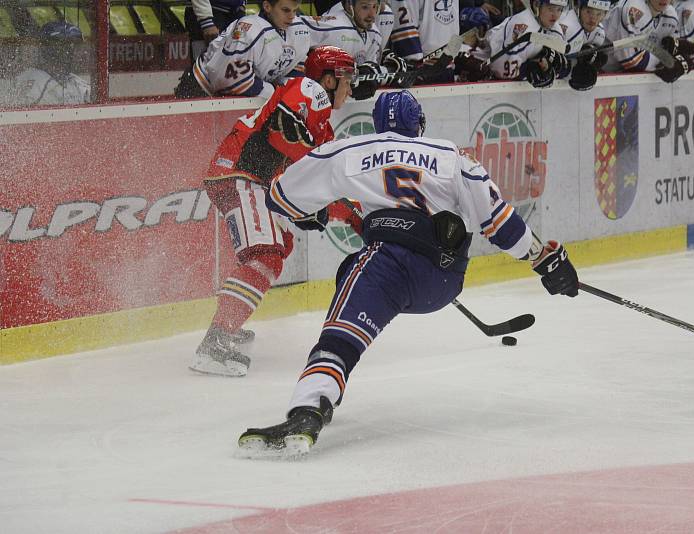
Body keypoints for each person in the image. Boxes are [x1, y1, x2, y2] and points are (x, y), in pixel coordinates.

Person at [237, 90, 579, 456]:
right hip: (444, 279)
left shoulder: (352, 150)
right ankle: (323, 387)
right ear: (419, 125)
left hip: (387, 266)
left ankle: (309, 407)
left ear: (378, 125)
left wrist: (307, 211)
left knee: (341, 328)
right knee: (349, 271)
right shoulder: (452, 156)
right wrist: (545, 259)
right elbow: (501, 224)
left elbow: (281, 195)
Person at [189, 46, 356, 377]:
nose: (350, 87)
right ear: (327, 79)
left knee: (276, 249)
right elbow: (283, 133)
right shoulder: (309, 89)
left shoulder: (323, 126)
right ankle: (216, 339)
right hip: (242, 173)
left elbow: (317, 180)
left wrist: (350, 217)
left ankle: (227, 326)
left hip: (248, 178)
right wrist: (308, 198)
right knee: (265, 255)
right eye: (346, 78)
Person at [174, 0, 311, 99]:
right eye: (285, 10)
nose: (291, 17)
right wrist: (275, 92)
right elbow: (231, 81)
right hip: (199, 87)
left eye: (295, 10)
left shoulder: (297, 29)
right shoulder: (250, 29)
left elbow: (293, 69)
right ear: (267, 6)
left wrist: (294, 91)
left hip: (229, 92)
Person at [303, 0, 408, 99]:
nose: (371, 15)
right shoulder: (336, 27)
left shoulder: (374, 33)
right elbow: (296, 25)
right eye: (365, 7)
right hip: (318, 95)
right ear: (350, 6)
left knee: (388, 13)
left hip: (342, 99)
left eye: (374, 6)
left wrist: (386, 71)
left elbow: (367, 71)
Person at [456, 0, 568, 87]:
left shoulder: (554, 28)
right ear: (536, 5)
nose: (555, 15)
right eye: (550, 8)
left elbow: (562, 64)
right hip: (472, 60)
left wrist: (551, 70)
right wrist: (528, 70)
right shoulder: (523, 25)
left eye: (559, 9)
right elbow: (502, 70)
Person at [603, 0, 693, 83]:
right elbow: (631, 60)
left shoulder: (671, 15)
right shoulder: (634, 9)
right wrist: (666, 62)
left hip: (622, 77)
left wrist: (679, 58)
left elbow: (671, 52)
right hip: (603, 73)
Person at [11, 21, 91, 107]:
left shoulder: (74, 81)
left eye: (76, 46)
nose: (80, 53)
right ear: (56, 50)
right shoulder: (34, 82)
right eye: (71, 46)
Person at [558, 0, 610, 90]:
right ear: (578, 8)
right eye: (588, 11)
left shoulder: (599, 32)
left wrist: (591, 63)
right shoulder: (565, 28)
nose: (593, 19)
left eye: (599, 14)